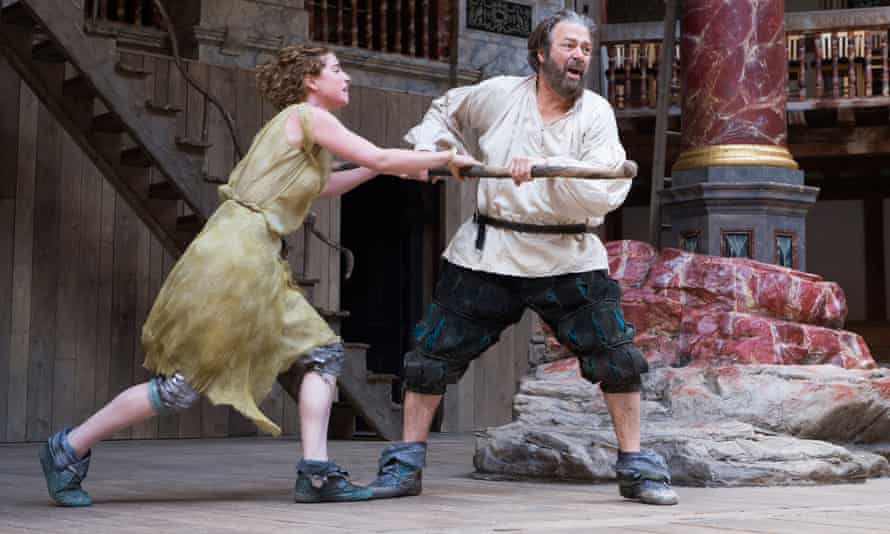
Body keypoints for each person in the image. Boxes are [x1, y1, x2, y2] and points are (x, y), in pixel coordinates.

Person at [38, 44, 480, 507]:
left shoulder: (299, 127)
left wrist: (384, 170)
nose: (346, 76)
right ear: (312, 80)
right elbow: (380, 157)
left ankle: (315, 471)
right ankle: (67, 448)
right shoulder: (311, 117)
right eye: (337, 68)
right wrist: (437, 161)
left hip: (250, 249)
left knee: (324, 354)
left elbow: (325, 185)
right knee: (181, 388)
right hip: (238, 253)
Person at [367, 10, 678, 506]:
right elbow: (444, 111)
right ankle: (405, 462)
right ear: (540, 53)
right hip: (489, 251)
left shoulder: (595, 112)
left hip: (567, 253)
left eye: (585, 50)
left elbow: (607, 184)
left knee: (617, 357)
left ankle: (637, 466)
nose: (578, 56)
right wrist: (440, 152)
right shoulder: (497, 95)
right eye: (568, 46)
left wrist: (548, 170)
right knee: (429, 357)